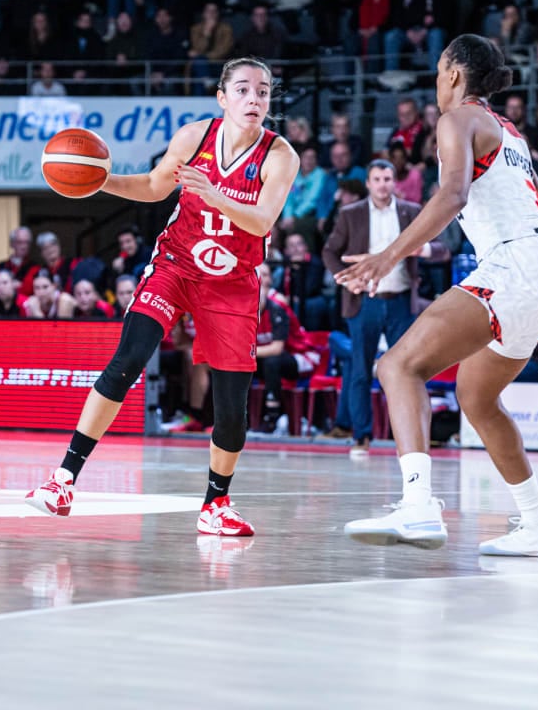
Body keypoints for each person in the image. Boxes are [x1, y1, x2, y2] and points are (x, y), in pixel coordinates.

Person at [334, 34, 538, 557]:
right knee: (477, 397)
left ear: (455, 73)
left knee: (397, 367)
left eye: (438, 70)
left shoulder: (456, 120)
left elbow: (452, 195)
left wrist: (388, 256)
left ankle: (418, 505)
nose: (436, 81)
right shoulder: (512, 134)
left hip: (516, 263)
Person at [24, 57, 298, 538]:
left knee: (231, 404)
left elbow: (261, 221)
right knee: (128, 358)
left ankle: (216, 504)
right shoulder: (194, 137)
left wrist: (212, 192)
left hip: (233, 282)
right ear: (222, 97)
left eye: (263, 91)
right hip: (177, 263)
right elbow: (154, 186)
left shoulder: (280, 156)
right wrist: (99, 181)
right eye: (243, 90)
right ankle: (62, 479)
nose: (254, 99)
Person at [322, 158, 420, 454]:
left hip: (400, 300)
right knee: (360, 371)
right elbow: (329, 251)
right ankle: (361, 436)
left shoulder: (410, 212)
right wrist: (346, 281)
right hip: (364, 301)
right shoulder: (351, 214)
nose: (382, 185)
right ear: (368, 183)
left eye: (387, 179)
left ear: (394, 181)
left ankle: (409, 440)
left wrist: (424, 248)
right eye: (377, 179)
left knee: (406, 371)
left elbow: (441, 247)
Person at [254, 262, 320, 432]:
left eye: (266, 274)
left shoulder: (276, 303)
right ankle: (240, 419)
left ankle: (273, 417)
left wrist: (243, 353)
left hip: (301, 355)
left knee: (271, 361)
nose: (262, 278)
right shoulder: (245, 303)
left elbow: (277, 349)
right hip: (269, 356)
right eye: (258, 274)